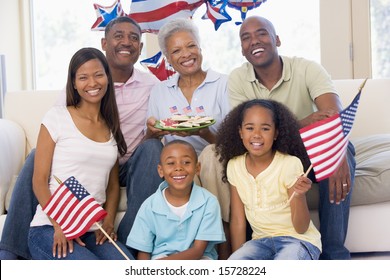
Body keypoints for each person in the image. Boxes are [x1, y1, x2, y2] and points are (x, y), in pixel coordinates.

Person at [0, 16, 163, 260]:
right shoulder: (62, 112)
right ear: (104, 43)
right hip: (74, 190)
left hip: (126, 163)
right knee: (37, 156)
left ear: (140, 47)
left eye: (134, 38)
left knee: (151, 148)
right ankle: (10, 252)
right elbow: (57, 131)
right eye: (118, 36)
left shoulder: (151, 86)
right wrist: (59, 222)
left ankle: (131, 240)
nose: (126, 42)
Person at [227, 16, 356, 259]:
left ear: (276, 39)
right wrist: (302, 123)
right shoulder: (237, 79)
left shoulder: (307, 68)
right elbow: (245, 130)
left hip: (308, 151)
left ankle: (334, 255)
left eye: (262, 33)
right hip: (268, 154)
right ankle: (255, 249)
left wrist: (337, 157)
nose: (255, 40)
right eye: (246, 38)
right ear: (242, 50)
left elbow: (332, 114)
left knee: (342, 151)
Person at [28, 47, 133, 259]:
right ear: (74, 84)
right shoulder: (56, 117)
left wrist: (110, 220)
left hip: (93, 228)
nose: (92, 83)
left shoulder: (110, 126)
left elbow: (112, 185)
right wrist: (60, 225)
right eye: (83, 77)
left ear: (107, 77)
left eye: (98, 75)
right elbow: (39, 181)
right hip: (50, 228)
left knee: (129, 267)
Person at [144, 18, 231, 258]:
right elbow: (150, 140)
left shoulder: (223, 84)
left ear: (200, 48)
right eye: (176, 51)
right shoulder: (160, 91)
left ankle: (222, 245)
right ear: (168, 58)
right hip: (180, 165)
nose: (186, 54)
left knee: (210, 155)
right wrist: (153, 132)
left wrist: (203, 132)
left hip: (217, 161)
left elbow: (235, 142)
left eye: (191, 46)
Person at [215, 99, 321, 260]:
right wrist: (237, 258)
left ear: (276, 133)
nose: (256, 134)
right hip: (259, 243)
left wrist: (298, 196)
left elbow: (301, 228)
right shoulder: (234, 166)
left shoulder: (290, 164)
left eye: (265, 128)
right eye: (250, 128)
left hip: (298, 241)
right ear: (240, 132)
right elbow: (238, 219)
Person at [127, 140, 225, 260]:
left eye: (186, 162)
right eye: (171, 163)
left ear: (197, 168)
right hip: (161, 257)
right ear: (160, 170)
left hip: (199, 259)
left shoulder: (209, 202)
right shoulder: (149, 206)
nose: (178, 168)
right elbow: (144, 252)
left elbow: (198, 251)